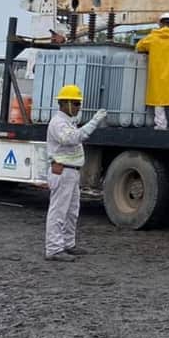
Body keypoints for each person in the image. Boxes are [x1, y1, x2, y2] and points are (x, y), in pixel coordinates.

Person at [45, 84, 106, 262]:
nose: (79, 107)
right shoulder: (58, 123)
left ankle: (67, 244)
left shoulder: (67, 122)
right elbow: (73, 138)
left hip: (70, 171)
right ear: (65, 103)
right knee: (59, 211)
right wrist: (94, 122)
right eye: (76, 103)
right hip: (62, 171)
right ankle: (54, 249)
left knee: (72, 211)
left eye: (79, 103)